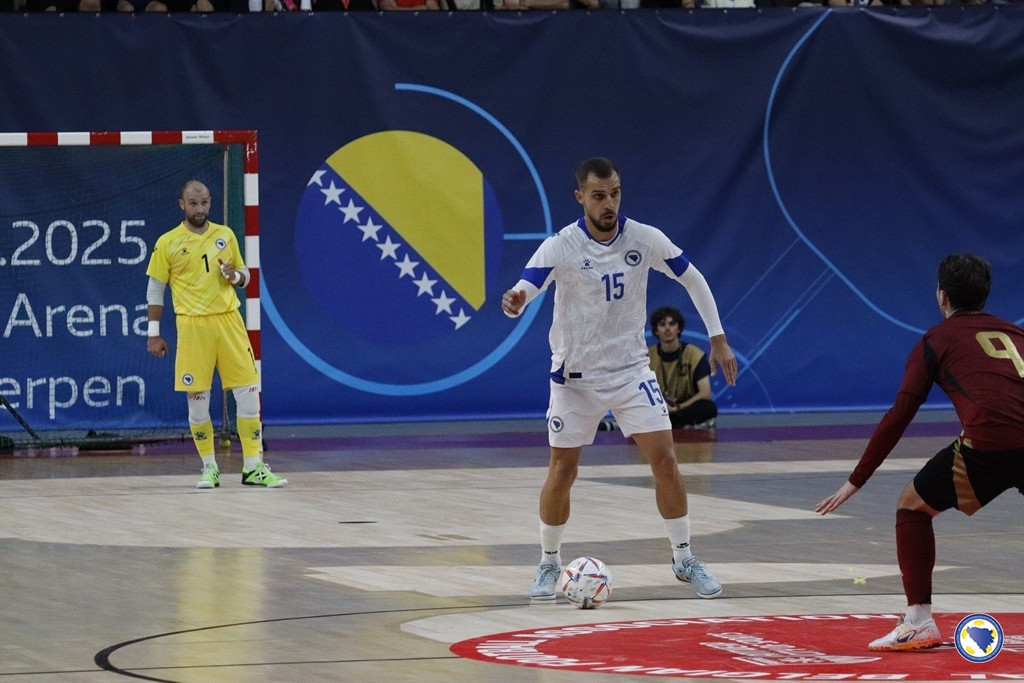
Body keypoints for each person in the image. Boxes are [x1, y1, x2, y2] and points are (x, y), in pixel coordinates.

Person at [502, 157, 738, 601]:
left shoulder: (645, 238)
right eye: (598, 196)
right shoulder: (561, 246)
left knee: (665, 460)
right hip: (574, 377)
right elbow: (526, 287)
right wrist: (516, 300)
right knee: (562, 470)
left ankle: (684, 558)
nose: (608, 203)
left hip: (630, 371)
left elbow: (695, 279)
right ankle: (549, 564)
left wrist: (718, 338)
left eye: (614, 193)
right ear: (580, 197)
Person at [816, 252, 1024, 651]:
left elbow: (900, 415)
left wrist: (856, 479)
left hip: (990, 443)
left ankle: (919, 621)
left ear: (941, 296)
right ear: (985, 295)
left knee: (911, 506)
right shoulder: (1016, 333)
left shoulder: (935, 339)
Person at [146, 180, 287, 490]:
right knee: (198, 401)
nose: (200, 209)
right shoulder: (168, 242)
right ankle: (209, 467)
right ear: (181, 204)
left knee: (248, 396)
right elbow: (155, 288)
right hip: (193, 326)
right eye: (193, 203)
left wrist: (234, 276)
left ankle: (254, 467)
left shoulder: (225, 235)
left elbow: (245, 275)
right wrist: (153, 333)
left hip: (229, 322)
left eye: (205, 202)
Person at [648, 306, 718, 429]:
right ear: (656, 330)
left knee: (709, 408)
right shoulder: (647, 357)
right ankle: (685, 424)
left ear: (678, 328)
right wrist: (664, 406)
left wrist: (678, 407)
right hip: (659, 407)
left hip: (686, 406)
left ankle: (664, 425)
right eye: (662, 324)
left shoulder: (695, 354)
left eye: (672, 323)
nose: (667, 328)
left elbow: (705, 393)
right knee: (640, 408)